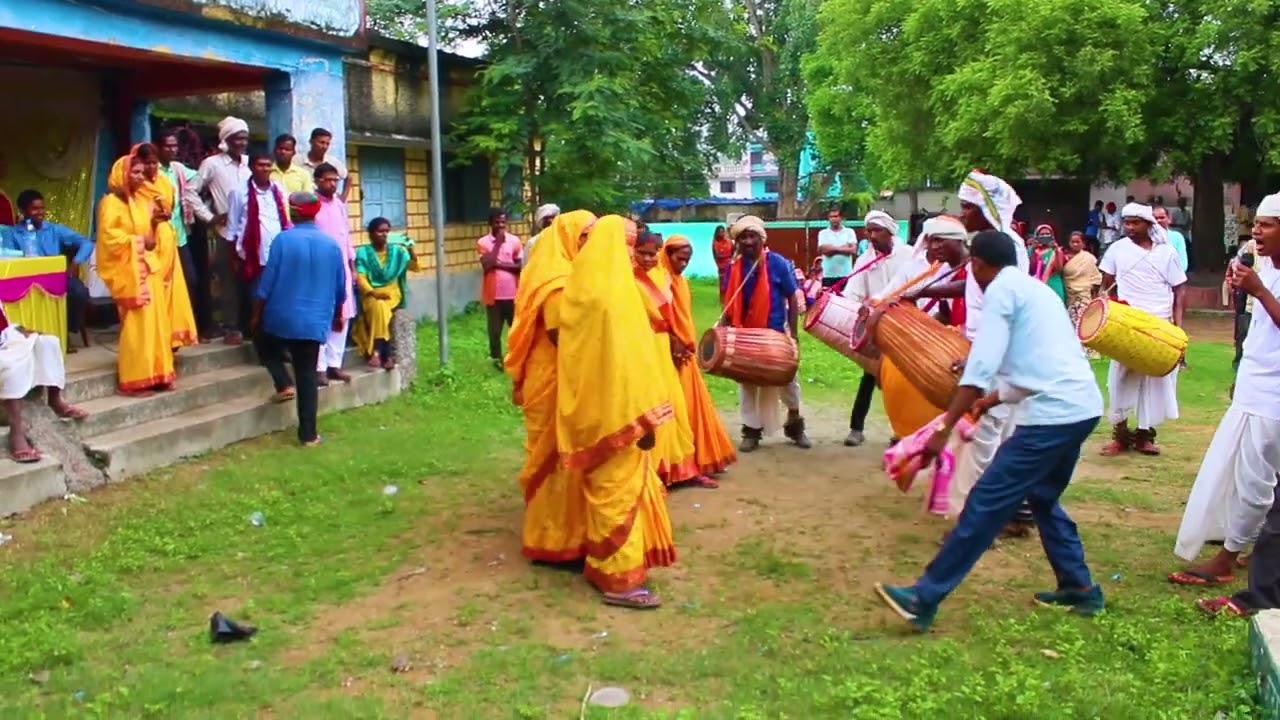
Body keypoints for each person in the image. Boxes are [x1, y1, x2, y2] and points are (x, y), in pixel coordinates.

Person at [873, 230, 1105, 632]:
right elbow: (1039, 362)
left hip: (1052, 416)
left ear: (978, 264)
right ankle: (1079, 588)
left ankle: (923, 598)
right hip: (1081, 408)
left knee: (986, 502)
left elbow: (979, 368)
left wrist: (945, 427)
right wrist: (992, 401)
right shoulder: (1036, 291)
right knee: (1044, 498)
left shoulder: (999, 292)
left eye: (970, 268)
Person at [555, 214, 677, 609]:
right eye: (627, 246)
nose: (632, 255)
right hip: (616, 412)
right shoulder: (611, 298)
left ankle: (601, 566)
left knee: (608, 492)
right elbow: (624, 363)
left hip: (592, 410)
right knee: (616, 494)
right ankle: (620, 582)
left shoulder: (582, 289)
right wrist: (640, 416)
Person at [907, 171, 1034, 536]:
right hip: (991, 350)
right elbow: (973, 286)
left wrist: (982, 359)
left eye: (968, 207)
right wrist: (926, 293)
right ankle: (1013, 513)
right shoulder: (994, 242)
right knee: (999, 436)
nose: (963, 215)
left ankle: (978, 523)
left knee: (982, 436)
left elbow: (1005, 306)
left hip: (998, 354)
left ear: (987, 208)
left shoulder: (1007, 245)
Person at [1171, 193, 1280, 590]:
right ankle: (1256, 547)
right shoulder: (1267, 270)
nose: (1257, 231)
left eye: (1267, 224)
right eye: (1258, 224)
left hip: (1273, 397)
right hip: (1256, 385)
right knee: (1244, 473)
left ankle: (1227, 557)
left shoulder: (1265, 279)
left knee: (1255, 477)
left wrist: (1259, 292)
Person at [505, 210, 596, 564]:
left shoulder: (560, 273)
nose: (588, 244)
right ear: (568, 236)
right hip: (552, 375)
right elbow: (563, 338)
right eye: (584, 236)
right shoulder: (557, 282)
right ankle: (554, 542)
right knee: (555, 457)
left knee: (561, 457)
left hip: (553, 372)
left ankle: (562, 532)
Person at [251, 192, 347, 447]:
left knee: (262, 341)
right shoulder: (331, 245)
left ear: (292, 212)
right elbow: (340, 287)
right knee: (307, 376)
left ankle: (282, 382)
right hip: (314, 322)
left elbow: (266, 284)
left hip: (280, 319)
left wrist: (256, 313)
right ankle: (308, 435)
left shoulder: (282, 241)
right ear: (315, 212)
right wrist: (338, 315)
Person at [1098, 203, 1187, 456]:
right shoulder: (1116, 249)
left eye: (1135, 222)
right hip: (1126, 323)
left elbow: (1180, 288)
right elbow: (1105, 287)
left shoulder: (1166, 252)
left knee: (1154, 380)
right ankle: (1120, 435)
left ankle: (1145, 435)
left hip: (1159, 322)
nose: (1129, 227)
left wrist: (1178, 326)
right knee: (1120, 378)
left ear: (1149, 224)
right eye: (1126, 222)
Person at [720, 215, 810, 452]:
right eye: (743, 237)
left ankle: (795, 424)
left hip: (775, 335)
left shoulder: (777, 263)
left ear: (761, 238)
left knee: (788, 381)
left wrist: (793, 336)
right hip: (745, 335)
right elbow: (729, 301)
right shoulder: (734, 268)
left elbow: (791, 295)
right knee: (747, 385)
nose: (748, 242)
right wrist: (725, 328)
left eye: (752, 236)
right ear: (738, 241)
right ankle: (751, 432)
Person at [95, 152, 177, 395]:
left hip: (147, 267)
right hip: (130, 271)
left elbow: (149, 236)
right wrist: (138, 241)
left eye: (142, 172)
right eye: (136, 172)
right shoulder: (110, 203)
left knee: (156, 325)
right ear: (122, 174)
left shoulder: (140, 202)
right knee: (137, 327)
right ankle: (135, 378)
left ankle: (157, 374)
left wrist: (158, 226)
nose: (141, 177)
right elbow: (110, 238)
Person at [660, 235, 737, 477]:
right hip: (670, 352)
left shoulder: (681, 282)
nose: (684, 264)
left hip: (686, 350)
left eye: (688, 260)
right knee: (678, 409)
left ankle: (698, 458)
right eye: (680, 259)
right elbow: (661, 318)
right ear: (668, 254)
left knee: (692, 407)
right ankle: (680, 464)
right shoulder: (660, 281)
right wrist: (674, 341)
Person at [633, 230, 703, 488]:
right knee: (650, 402)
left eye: (653, 254)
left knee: (673, 403)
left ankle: (678, 468)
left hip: (663, 344)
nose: (649, 259)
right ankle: (650, 470)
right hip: (643, 345)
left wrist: (676, 339)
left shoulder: (663, 276)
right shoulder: (628, 279)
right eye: (643, 253)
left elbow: (671, 316)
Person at [841, 210, 913, 447]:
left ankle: (903, 432)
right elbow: (853, 290)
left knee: (903, 382)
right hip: (876, 325)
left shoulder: (909, 256)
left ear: (890, 232)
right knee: (870, 375)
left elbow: (917, 289)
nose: (872, 236)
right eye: (869, 231)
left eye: (877, 230)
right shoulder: (865, 259)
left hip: (905, 327)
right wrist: (854, 305)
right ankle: (856, 428)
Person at [2, 189, 94, 348]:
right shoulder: (13, 233)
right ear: (23, 211)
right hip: (26, 280)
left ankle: (65, 332)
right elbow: (8, 257)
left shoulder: (54, 229)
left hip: (55, 278)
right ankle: (26, 337)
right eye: (35, 209)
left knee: (79, 292)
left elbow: (86, 243)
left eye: (42, 208)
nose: (40, 213)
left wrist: (76, 261)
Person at [0, 305, 88, 463]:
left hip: (5, 339)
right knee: (10, 365)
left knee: (49, 343)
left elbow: (4, 322)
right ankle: (16, 433)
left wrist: (20, 330)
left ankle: (55, 400)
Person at [192, 116, 253, 344]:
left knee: (249, 279)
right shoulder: (212, 164)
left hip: (249, 232)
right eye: (237, 138)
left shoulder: (249, 164)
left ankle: (249, 325)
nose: (242, 143)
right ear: (226, 139)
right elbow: (191, 191)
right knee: (228, 280)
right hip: (225, 232)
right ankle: (231, 327)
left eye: (245, 139)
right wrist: (209, 217)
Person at [135, 143, 200, 352]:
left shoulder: (165, 182)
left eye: (154, 163)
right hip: (149, 242)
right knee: (156, 289)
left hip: (169, 239)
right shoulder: (136, 187)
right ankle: (156, 336)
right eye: (147, 164)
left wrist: (165, 214)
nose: (151, 167)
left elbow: (171, 209)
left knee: (175, 287)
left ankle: (173, 338)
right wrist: (152, 220)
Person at [156, 130, 211, 340]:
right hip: (160, 238)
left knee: (190, 281)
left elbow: (200, 179)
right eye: (168, 146)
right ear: (159, 147)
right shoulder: (155, 172)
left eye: (174, 146)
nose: (172, 150)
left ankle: (185, 327)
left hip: (179, 236)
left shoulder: (178, 169)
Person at [311, 163, 354, 387]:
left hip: (342, 267)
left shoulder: (339, 204)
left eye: (335, 180)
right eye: (328, 180)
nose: (332, 184)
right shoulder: (312, 204)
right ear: (317, 180)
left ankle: (334, 364)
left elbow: (346, 235)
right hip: (319, 267)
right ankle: (319, 368)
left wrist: (352, 265)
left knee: (343, 315)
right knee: (322, 315)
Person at [353, 218, 412, 369]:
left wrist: (410, 248)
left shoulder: (397, 251)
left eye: (387, 231)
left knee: (381, 307)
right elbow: (361, 277)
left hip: (391, 293)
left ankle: (377, 353)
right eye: (380, 231)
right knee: (380, 308)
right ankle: (384, 353)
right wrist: (373, 292)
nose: (384, 235)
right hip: (371, 294)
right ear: (371, 234)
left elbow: (414, 265)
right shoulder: (363, 252)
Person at [477, 208, 522, 368]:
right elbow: (487, 265)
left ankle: (516, 359)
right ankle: (497, 360)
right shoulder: (483, 242)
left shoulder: (515, 241)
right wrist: (497, 245)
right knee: (494, 331)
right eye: (497, 222)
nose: (500, 225)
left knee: (515, 329)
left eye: (503, 222)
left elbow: (520, 266)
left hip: (513, 294)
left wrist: (499, 264)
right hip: (494, 295)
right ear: (491, 223)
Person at [1062, 231, 1102, 359]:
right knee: (1070, 323)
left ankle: (1088, 350)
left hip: (1084, 294)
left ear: (1083, 243)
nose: (1075, 244)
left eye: (1077, 242)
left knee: (1084, 322)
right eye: (1072, 242)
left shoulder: (1088, 258)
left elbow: (1096, 277)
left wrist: (1095, 295)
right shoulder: (1063, 256)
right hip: (1069, 293)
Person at [301, 128, 349, 200]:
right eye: (321, 142)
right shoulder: (297, 161)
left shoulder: (333, 162)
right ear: (311, 142)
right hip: (305, 205)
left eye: (327, 144)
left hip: (328, 204)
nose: (324, 147)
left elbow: (348, 177)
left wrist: (343, 197)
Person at [816, 208, 858, 288]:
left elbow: (853, 250)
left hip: (846, 275)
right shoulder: (823, 233)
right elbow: (824, 251)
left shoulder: (849, 232)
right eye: (831, 217)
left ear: (841, 218)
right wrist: (844, 247)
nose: (833, 219)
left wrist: (832, 248)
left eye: (836, 216)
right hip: (828, 275)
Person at [1029, 225, 1066, 304]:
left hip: (1053, 286)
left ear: (1052, 236)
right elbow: (1030, 270)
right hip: (1036, 286)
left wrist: (1056, 251)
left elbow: (1059, 269)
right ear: (1036, 236)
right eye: (1041, 235)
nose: (1045, 236)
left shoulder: (1056, 251)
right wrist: (1033, 250)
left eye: (1047, 234)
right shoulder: (1031, 250)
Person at [1154, 205, 1189, 273]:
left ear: (1168, 219)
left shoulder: (1177, 237)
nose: (1158, 220)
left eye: (1162, 217)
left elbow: (1183, 264)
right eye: (1155, 218)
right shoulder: (1144, 238)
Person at [711, 225, 734, 302]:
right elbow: (716, 255)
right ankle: (723, 299)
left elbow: (733, 252)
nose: (721, 233)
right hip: (721, 266)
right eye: (720, 232)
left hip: (730, 264)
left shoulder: (729, 242)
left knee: (731, 282)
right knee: (722, 282)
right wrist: (718, 263)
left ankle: (730, 298)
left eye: (723, 231)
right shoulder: (715, 243)